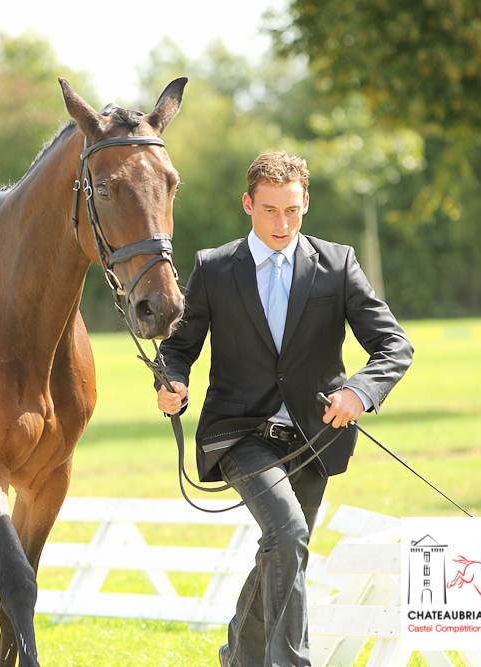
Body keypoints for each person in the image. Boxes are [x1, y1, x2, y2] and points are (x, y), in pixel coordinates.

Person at [155, 151, 413, 667]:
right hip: (240, 434)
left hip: (316, 437)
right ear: (248, 203)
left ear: (306, 203)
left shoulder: (337, 265)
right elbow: (178, 347)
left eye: (292, 210)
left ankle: (239, 656)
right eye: (270, 210)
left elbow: (393, 345)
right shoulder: (214, 267)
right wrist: (172, 381)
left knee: (283, 550)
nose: (282, 223)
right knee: (289, 535)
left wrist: (359, 393)